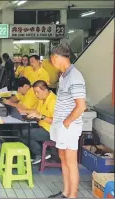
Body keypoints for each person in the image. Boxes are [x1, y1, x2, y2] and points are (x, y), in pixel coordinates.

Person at [48, 45, 87, 198]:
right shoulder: (64, 76)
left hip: (69, 126)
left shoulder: (75, 76)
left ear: (56, 57)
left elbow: (81, 106)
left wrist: (66, 123)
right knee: (63, 159)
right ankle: (65, 192)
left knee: (70, 162)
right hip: (62, 124)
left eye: (52, 60)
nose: (52, 64)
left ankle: (73, 195)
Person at [21, 80, 57, 164]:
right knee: (21, 129)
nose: (36, 95)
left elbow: (56, 121)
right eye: (35, 93)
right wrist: (23, 111)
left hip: (50, 130)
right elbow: (37, 112)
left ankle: (41, 154)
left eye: (37, 92)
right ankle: (36, 154)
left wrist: (41, 116)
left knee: (24, 133)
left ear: (45, 90)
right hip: (41, 126)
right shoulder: (42, 99)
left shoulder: (53, 101)